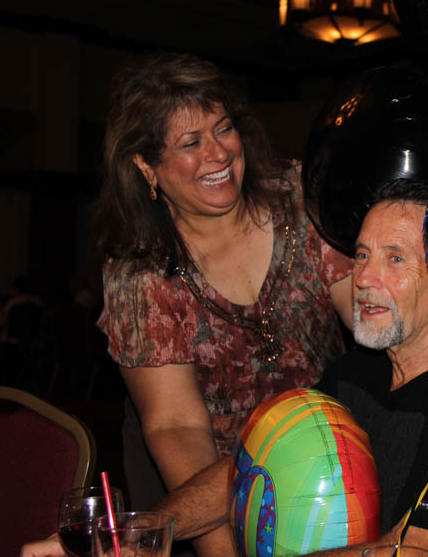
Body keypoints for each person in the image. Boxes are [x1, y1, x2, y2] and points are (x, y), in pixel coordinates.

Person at [20, 180, 428, 557]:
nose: (365, 277)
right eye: (363, 254)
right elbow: (247, 470)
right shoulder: (354, 374)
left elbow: (413, 552)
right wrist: (138, 534)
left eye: (395, 259)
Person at [92, 52, 353, 555]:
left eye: (224, 128)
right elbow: (177, 427)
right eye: (191, 143)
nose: (219, 153)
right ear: (147, 166)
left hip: (332, 463)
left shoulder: (298, 198)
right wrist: (224, 550)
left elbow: (367, 328)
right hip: (215, 490)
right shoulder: (140, 271)